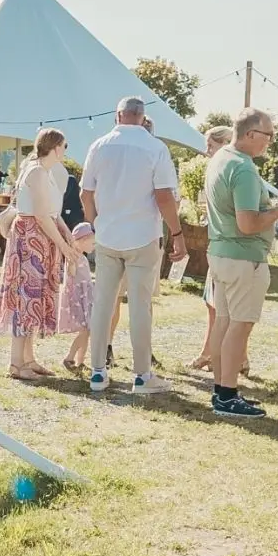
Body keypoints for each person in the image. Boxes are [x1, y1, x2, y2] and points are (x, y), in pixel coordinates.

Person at [80, 99, 186, 397]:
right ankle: (142, 376)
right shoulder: (156, 147)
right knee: (140, 306)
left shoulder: (99, 146)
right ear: (142, 117)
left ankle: (98, 371)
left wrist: (93, 223)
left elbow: (86, 193)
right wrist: (177, 233)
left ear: (118, 115)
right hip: (142, 235)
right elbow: (164, 196)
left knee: (103, 303)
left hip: (107, 235)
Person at [202, 109, 278, 419]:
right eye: (269, 135)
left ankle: (221, 391)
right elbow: (248, 224)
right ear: (251, 134)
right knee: (239, 326)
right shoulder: (244, 168)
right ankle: (227, 395)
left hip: (220, 253)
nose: (270, 142)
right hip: (243, 257)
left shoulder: (220, 158)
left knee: (224, 323)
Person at [0, 128, 84, 378]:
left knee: (35, 297)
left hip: (43, 238)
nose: (65, 150)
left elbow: (53, 213)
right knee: (26, 296)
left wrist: (68, 237)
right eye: (64, 146)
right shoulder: (36, 171)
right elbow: (42, 216)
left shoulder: (46, 172)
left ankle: (28, 359)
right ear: (55, 147)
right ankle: (16, 363)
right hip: (31, 238)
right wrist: (63, 246)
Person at [188, 125, 235, 376]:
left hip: (227, 247)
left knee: (223, 306)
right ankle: (218, 353)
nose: (207, 151)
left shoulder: (231, 170)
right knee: (213, 303)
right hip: (216, 243)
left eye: (211, 146)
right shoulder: (216, 170)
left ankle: (218, 354)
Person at [58, 221, 97, 373]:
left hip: (85, 297)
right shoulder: (73, 257)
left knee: (87, 330)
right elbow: (71, 275)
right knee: (85, 330)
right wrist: (72, 262)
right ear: (82, 240)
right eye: (92, 243)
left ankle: (81, 361)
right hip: (78, 298)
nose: (94, 246)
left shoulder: (82, 257)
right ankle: (69, 358)